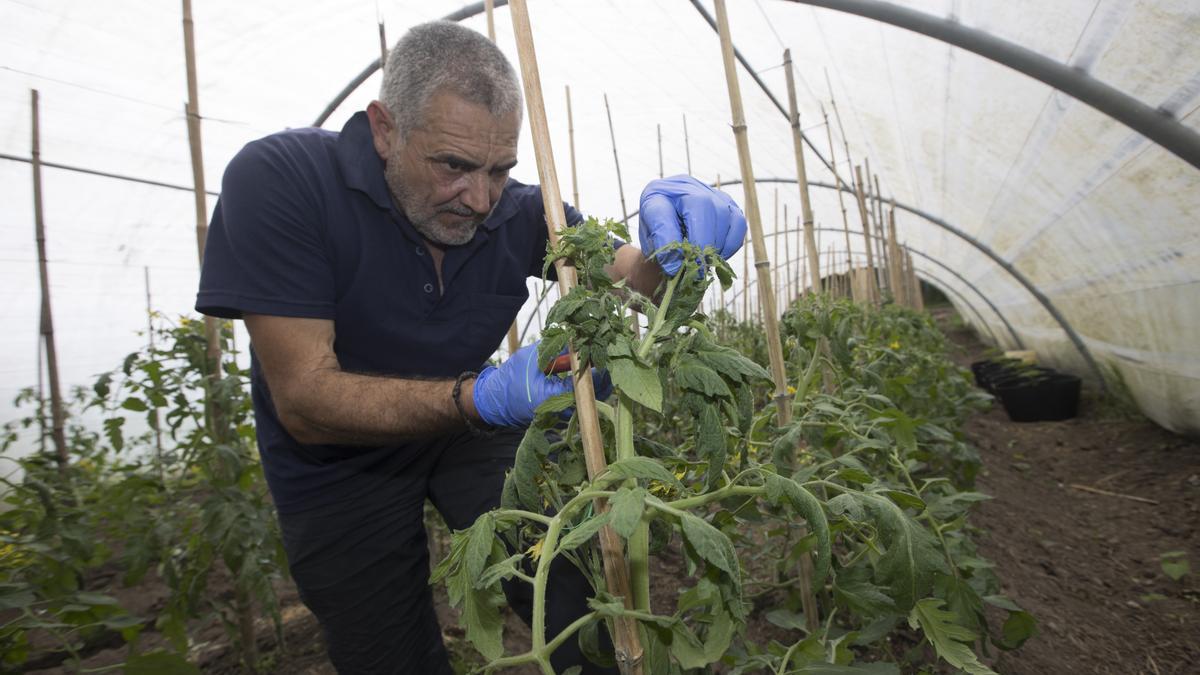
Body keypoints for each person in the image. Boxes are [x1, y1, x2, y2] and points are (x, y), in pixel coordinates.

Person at [196, 20, 746, 675]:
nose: (481, 197)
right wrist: (482, 396)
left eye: (499, 168)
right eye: (453, 166)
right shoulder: (282, 182)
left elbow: (632, 274)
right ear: (384, 129)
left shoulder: (518, 213)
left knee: (568, 587)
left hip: (468, 432)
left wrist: (677, 242)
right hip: (333, 465)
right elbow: (305, 398)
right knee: (388, 654)